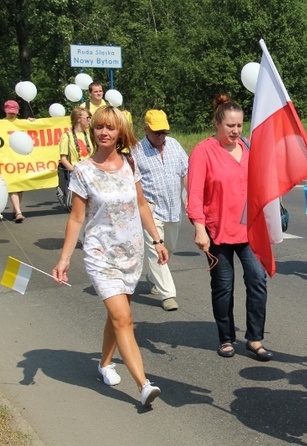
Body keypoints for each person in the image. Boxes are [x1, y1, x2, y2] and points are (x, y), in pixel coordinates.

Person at [52, 105, 167, 408]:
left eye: (110, 128)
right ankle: (144, 385)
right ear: (93, 131)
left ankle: (104, 363)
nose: (104, 132)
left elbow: (142, 204)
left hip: (131, 252)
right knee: (123, 318)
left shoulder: (130, 163)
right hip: (100, 254)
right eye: (99, 127)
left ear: (120, 133)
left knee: (119, 316)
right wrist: (64, 259)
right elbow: (77, 219)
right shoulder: (83, 170)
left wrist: (157, 240)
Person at [187, 94, 273, 361]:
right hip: (218, 232)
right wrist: (199, 228)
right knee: (223, 286)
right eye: (230, 126)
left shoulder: (248, 147)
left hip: (250, 231)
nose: (236, 131)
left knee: (257, 280)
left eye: (239, 125)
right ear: (217, 124)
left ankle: (255, 339)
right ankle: (226, 338)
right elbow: (195, 195)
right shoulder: (203, 151)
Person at [132, 110, 188, 311]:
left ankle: (152, 275)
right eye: (157, 132)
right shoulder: (136, 151)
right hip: (150, 209)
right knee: (157, 247)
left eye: (164, 131)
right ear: (146, 128)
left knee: (168, 247)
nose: (161, 136)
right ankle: (168, 294)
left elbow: (185, 171)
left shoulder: (174, 145)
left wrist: (189, 195)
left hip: (173, 208)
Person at [57, 108, 92, 210]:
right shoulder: (67, 136)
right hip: (76, 174)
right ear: (78, 119)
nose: (89, 120)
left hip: (89, 173)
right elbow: (63, 158)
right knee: (79, 207)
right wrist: (74, 171)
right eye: (87, 118)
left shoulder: (89, 135)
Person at [4, 100, 27, 222]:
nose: (12, 114)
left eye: (14, 112)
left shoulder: (22, 123)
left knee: (20, 185)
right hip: (7, 159)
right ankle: (18, 212)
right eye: (10, 112)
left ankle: (15, 209)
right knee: (12, 184)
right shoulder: (2, 124)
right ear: (5, 110)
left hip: (20, 159)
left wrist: (32, 123)